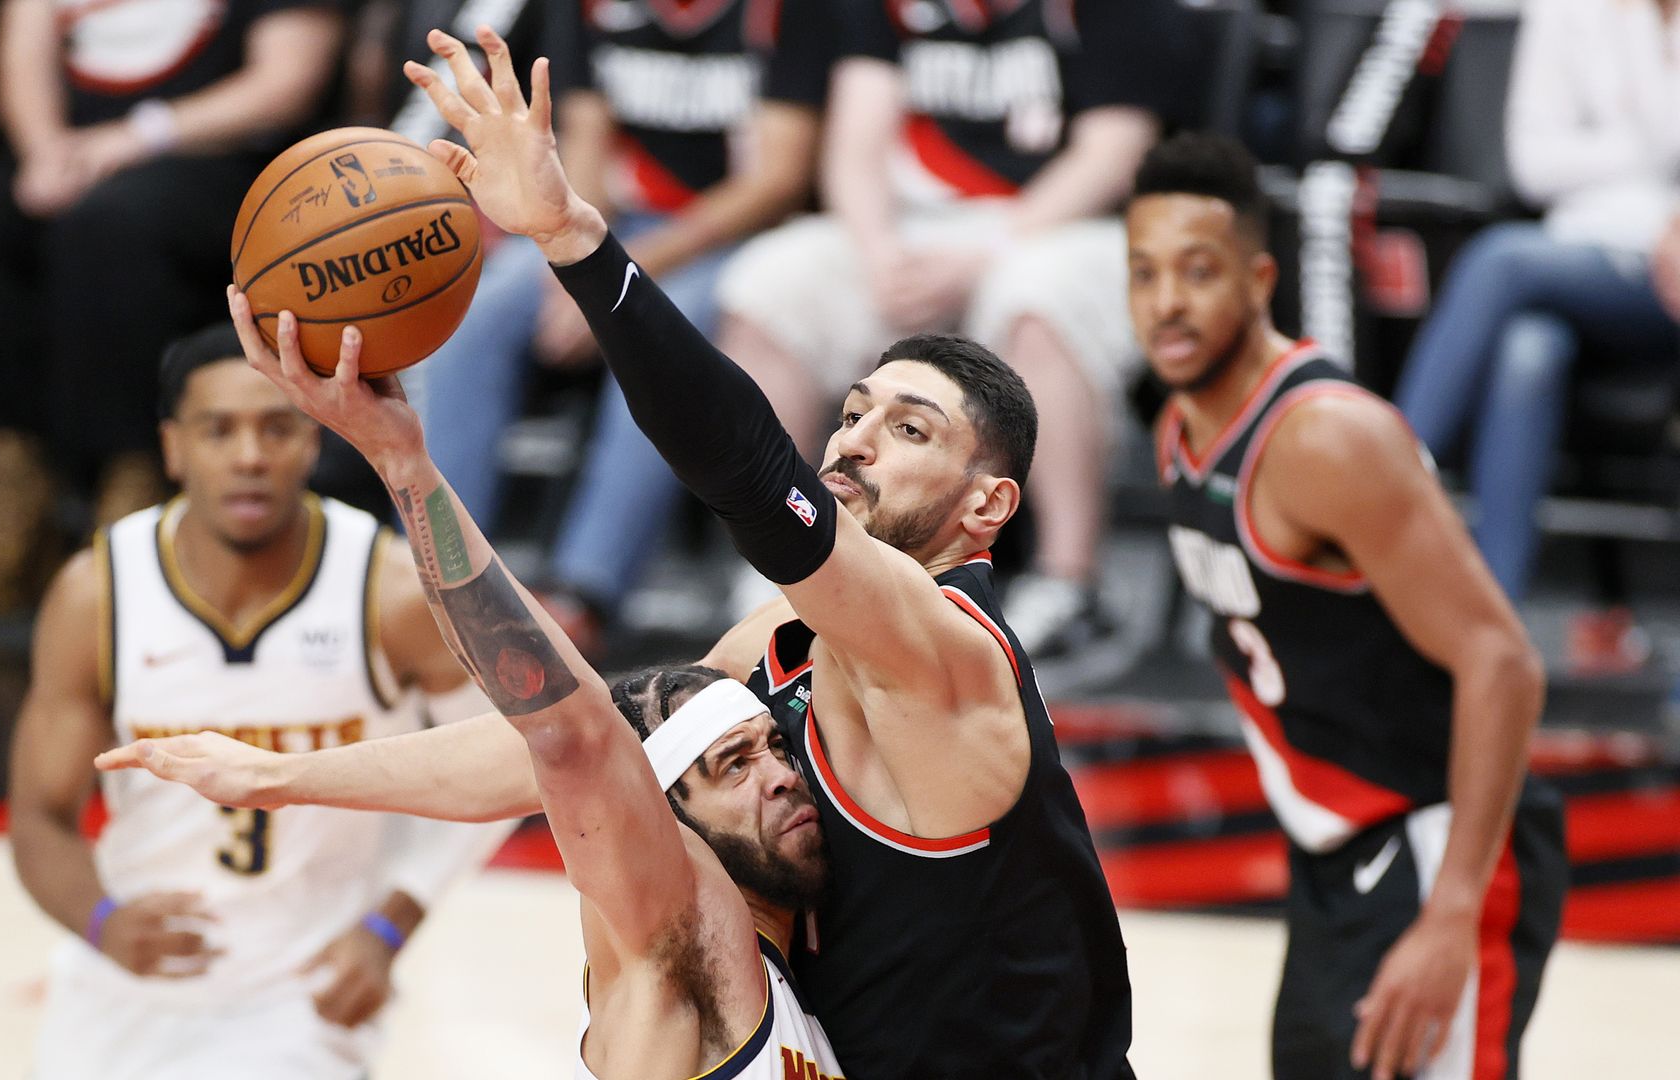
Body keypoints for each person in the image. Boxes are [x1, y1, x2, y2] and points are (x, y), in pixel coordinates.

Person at [104, 27, 1134, 1079]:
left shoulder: (952, 655)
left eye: (911, 431)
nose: (856, 438)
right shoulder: (783, 638)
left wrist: (575, 242)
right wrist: (290, 775)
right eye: (857, 410)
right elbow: (574, 737)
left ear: (988, 506)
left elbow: (746, 472)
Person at [112, 316, 845, 1080]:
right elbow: (568, 728)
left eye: (775, 747)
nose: (782, 773)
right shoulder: (680, 927)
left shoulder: (793, 988)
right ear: (662, 819)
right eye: (732, 766)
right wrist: (404, 462)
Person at [1130, 133, 1567, 1080]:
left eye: (1196, 272)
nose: (1166, 302)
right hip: (1338, 854)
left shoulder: (1327, 440)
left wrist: (1452, 913)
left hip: (1439, 839)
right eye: (1144, 273)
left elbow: (1504, 662)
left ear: (1258, 279)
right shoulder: (1180, 424)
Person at [10, 324, 510, 1079]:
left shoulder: (390, 592)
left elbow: (502, 766)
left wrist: (387, 927)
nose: (249, 456)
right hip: (123, 988)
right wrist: (101, 922)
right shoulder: (97, 594)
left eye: (276, 427)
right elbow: (39, 817)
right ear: (174, 448)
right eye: (219, 431)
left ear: (311, 442)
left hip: (301, 997)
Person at [712, 0, 1196, 656]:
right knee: (771, 282)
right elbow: (856, 147)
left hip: (1059, 226)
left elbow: (1112, 155)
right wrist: (879, 252)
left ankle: (1070, 581)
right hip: (910, 228)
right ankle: (782, 559)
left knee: (1036, 297)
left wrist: (985, 252)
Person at [0, 0, 344, 614]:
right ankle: (14, 479)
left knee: (108, 225)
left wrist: (135, 137)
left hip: (223, 160)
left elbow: (284, 85)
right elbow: (21, 55)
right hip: (76, 153)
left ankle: (130, 486)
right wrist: (44, 151)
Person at [415, 0, 834, 652]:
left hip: (723, 238)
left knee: (651, 339)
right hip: (610, 223)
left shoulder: (780, 14)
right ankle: (435, 579)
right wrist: (570, 253)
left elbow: (777, 179)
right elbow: (583, 137)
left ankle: (584, 592)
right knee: (481, 308)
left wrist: (611, 272)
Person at [1391, 0, 1680, 672]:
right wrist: (1657, 186)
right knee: (1528, 350)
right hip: (1581, 258)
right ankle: (1495, 640)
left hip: (1648, 281)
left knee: (1499, 261)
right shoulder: (1567, 9)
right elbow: (1533, 163)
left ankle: (1384, 480)